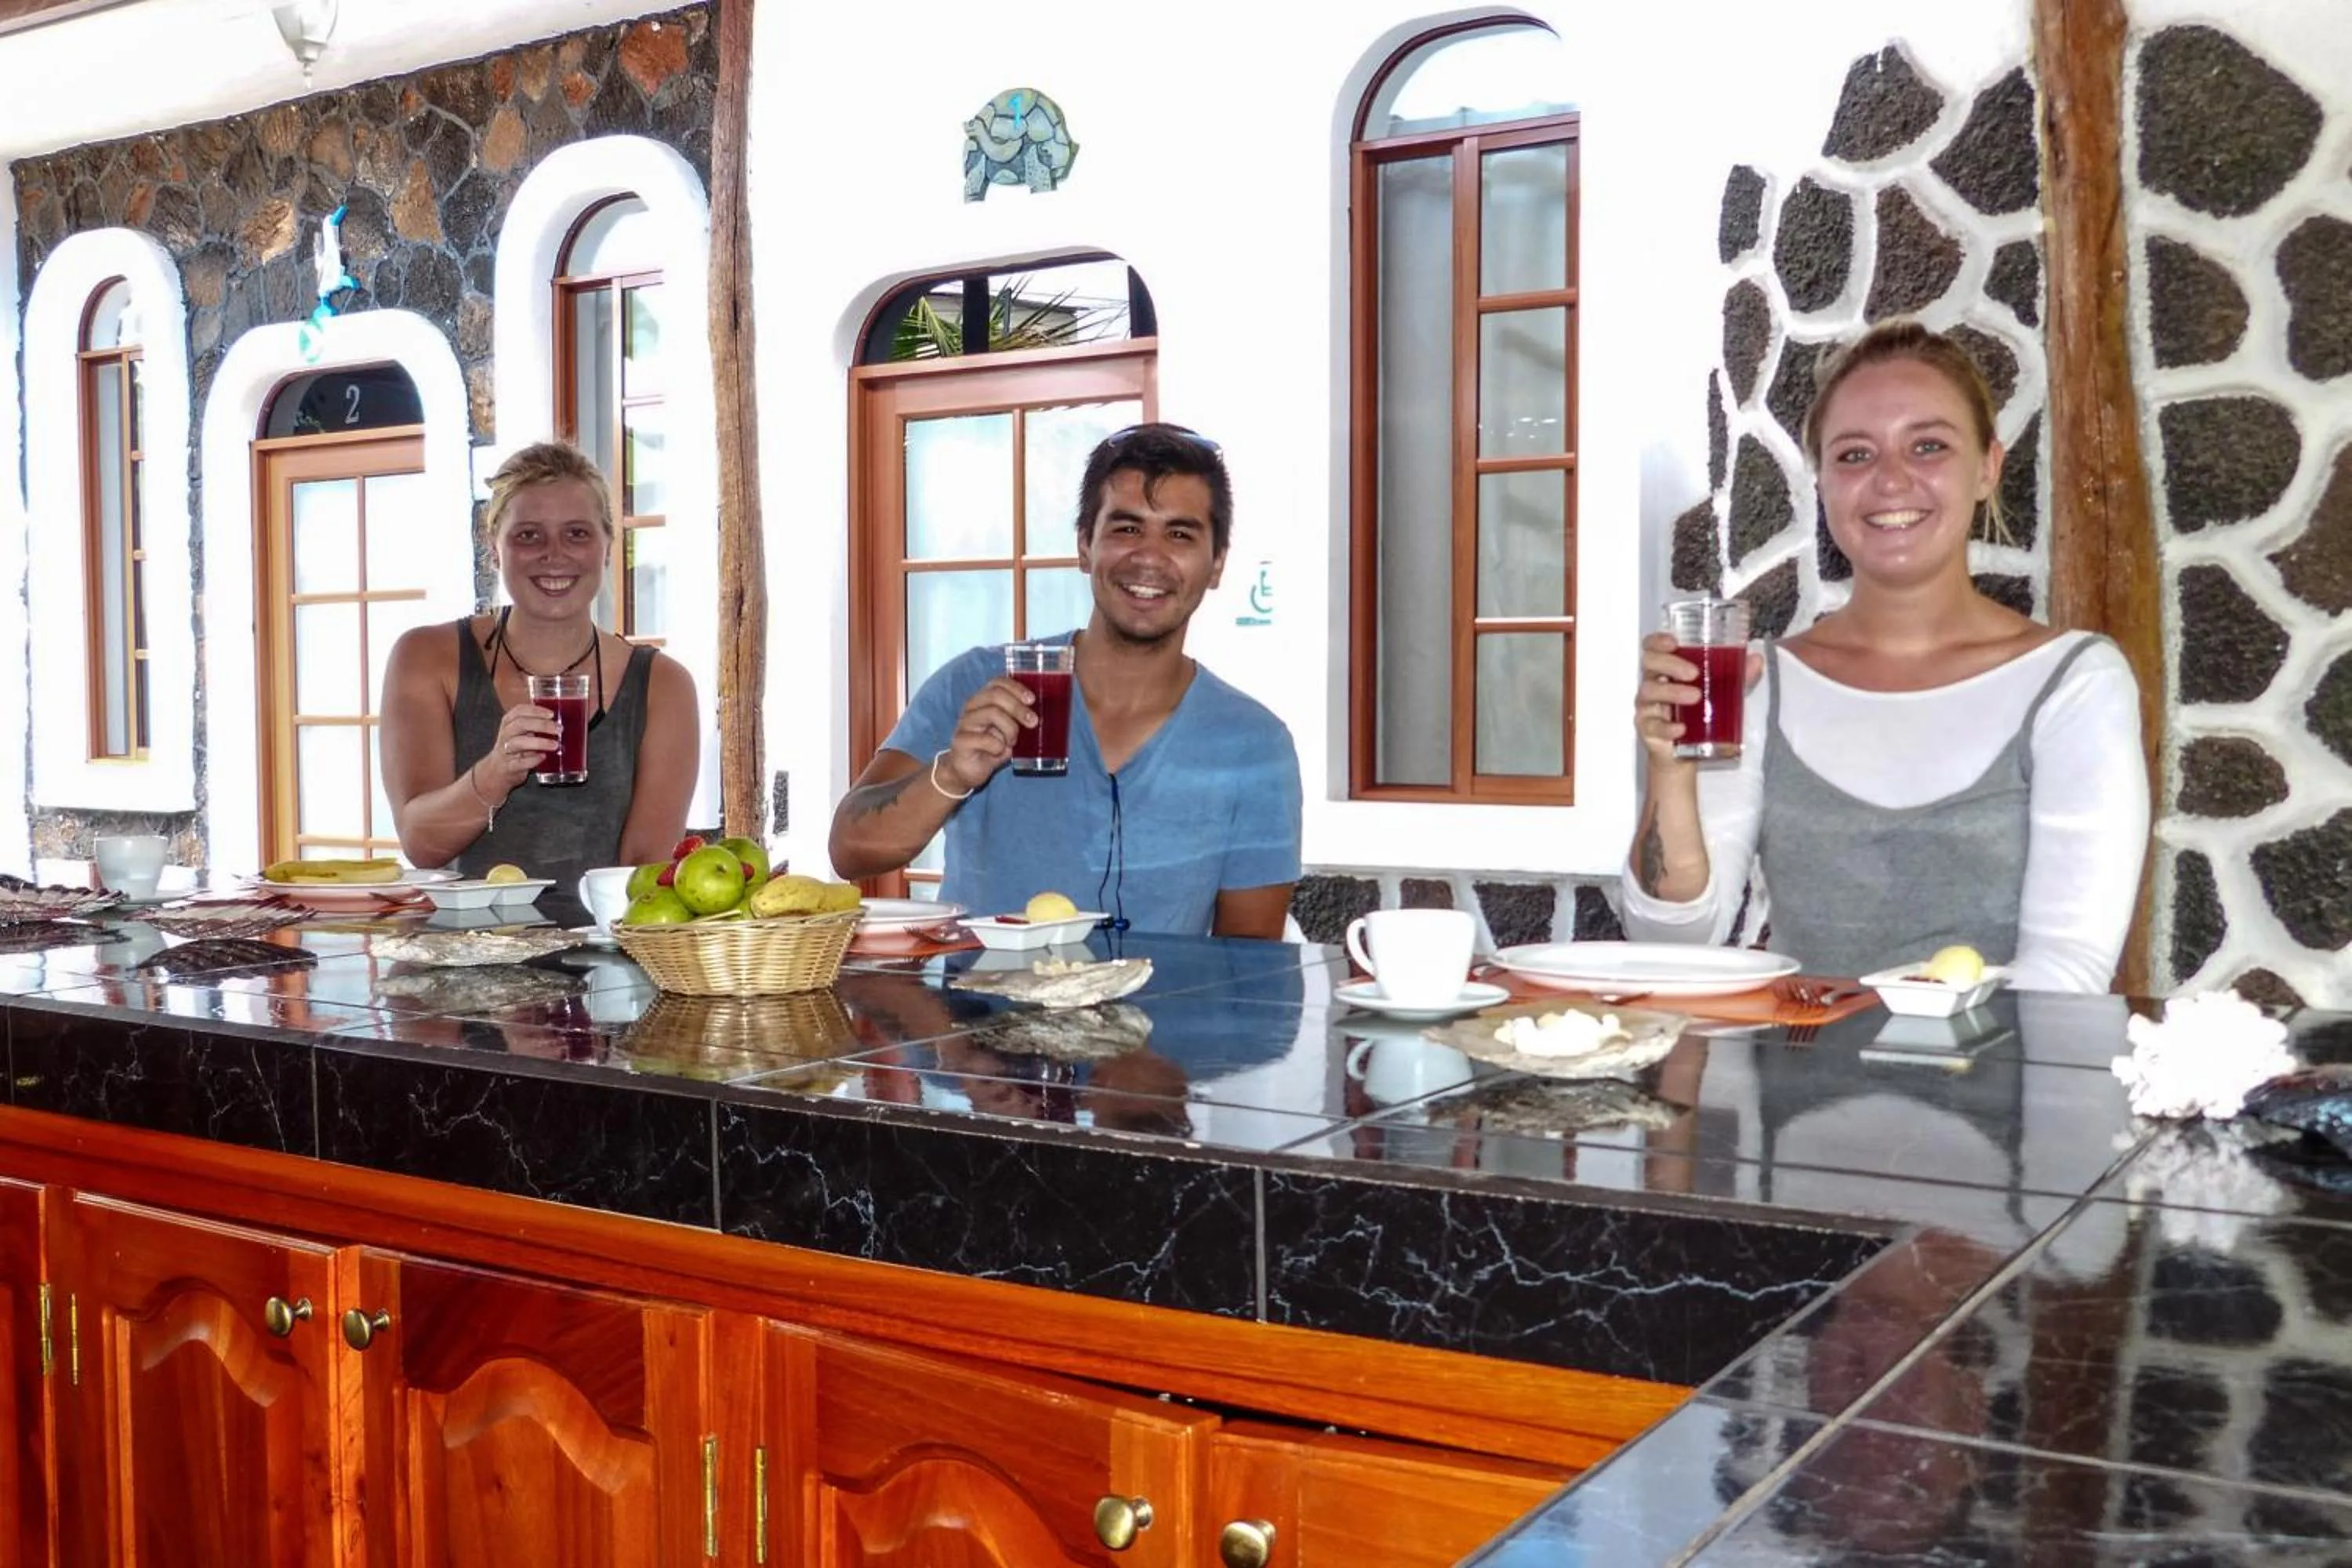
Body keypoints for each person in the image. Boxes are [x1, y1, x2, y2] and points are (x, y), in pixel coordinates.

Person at [1621, 321, 2147, 991]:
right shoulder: (1758, 680)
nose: (1891, 480)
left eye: (1928, 446)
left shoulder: (2074, 681)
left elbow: (2069, 969)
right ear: (1822, 485)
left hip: (1992, 1089)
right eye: (1854, 455)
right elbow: (1672, 939)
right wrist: (1670, 771)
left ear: (1988, 467)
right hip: (1790, 1090)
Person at [829, 423, 1301, 938]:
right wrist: (953, 775)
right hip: (980, 1016)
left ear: (1216, 565)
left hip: (1163, 1020)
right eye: (1125, 529)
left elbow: (1247, 962)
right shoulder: (980, 683)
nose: (1149, 555)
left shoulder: (1253, 745)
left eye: (1180, 534)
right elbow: (850, 850)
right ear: (1083, 548)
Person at [379, 441, 699, 897]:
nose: (554, 555)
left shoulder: (663, 686)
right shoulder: (428, 657)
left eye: (577, 534)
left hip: (605, 955)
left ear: (608, 548)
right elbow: (421, 843)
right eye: (528, 535)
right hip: (460, 956)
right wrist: (494, 774)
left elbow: (643, 874)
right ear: (494, 549)